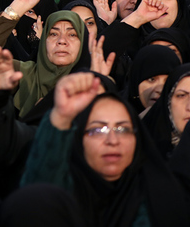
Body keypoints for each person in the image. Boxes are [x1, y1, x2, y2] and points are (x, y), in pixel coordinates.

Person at [21, 72, 190, 226]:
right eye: (98, 130)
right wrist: (61, 117)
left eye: (122, 129)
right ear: (80, 140)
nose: (112, 140)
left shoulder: (162, 200)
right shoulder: (63, 190)